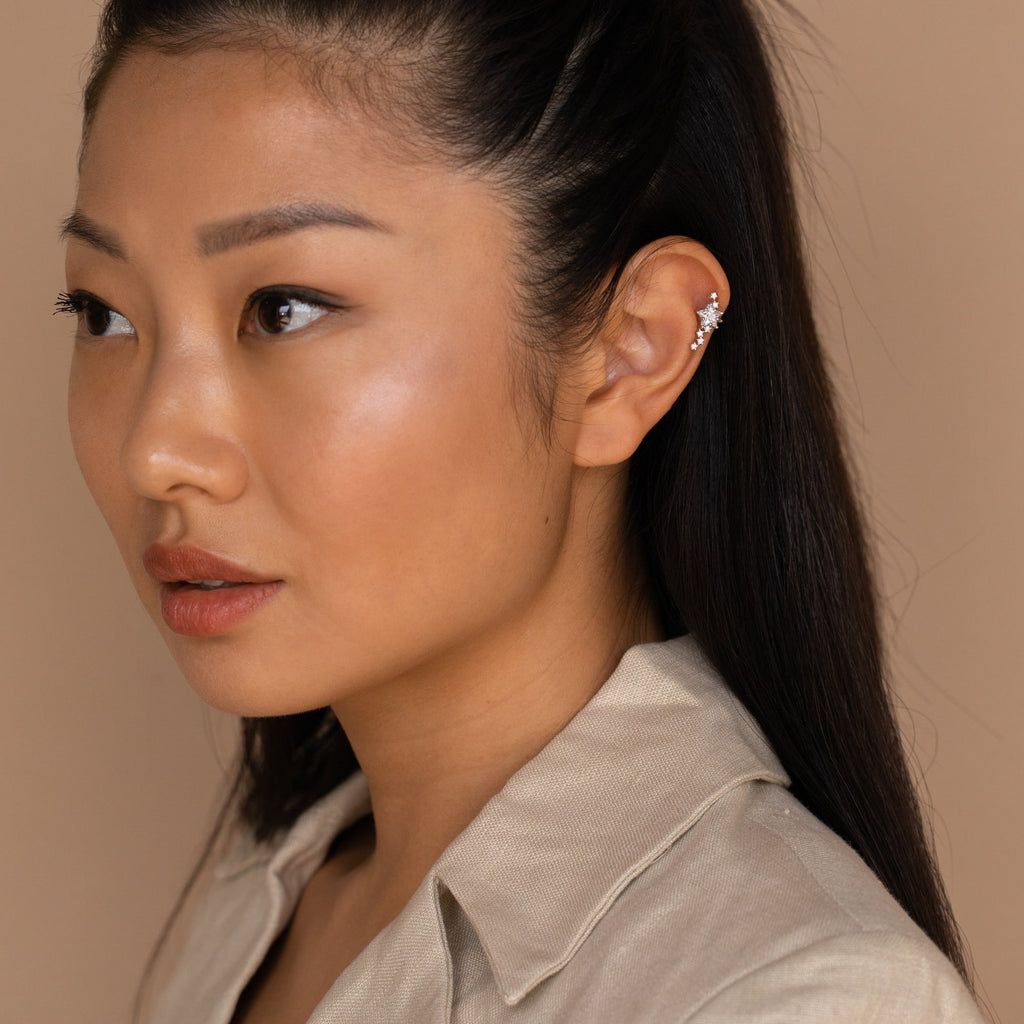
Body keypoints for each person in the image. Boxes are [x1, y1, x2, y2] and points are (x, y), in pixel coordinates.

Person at [59, 0, 985, 1021]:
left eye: (284, 308)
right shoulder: (266, 895)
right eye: (104, 312)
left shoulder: (797, 995)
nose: (154, 449)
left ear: (631, 349)